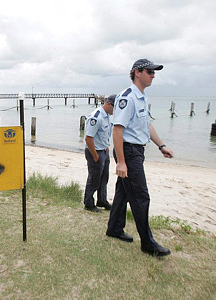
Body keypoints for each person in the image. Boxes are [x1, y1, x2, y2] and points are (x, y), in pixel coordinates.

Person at [106, 58, 174, 257]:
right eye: (150, 72)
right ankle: (148, 243)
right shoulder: (127, 97)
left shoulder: (141, 97)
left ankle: (114, 228)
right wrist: (121, 161)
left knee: (123, 193)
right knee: (141, 197)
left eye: (154, 73)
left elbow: (147, 125)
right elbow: (117, 130)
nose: (153, 76)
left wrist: (161, 146)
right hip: (128, 151)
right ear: (138, 72)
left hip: (136, 151)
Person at [83, 94, 116, 212]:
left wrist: (106, 147)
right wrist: (95, 155)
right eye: (114, 107)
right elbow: (88, 138)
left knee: (104, 178)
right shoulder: (96, 117)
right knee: (94, 179)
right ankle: (89, 203)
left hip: (103, 150)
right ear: (108, 104)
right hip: (95, 152)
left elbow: (104, 133)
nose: (115, 110)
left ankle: (102, 200)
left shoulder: (107, 116)